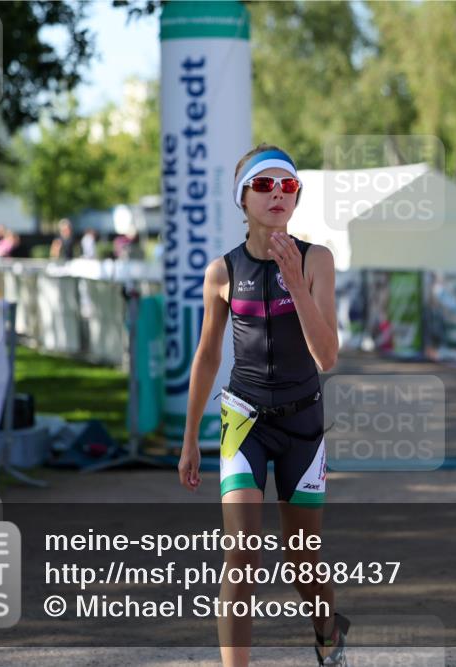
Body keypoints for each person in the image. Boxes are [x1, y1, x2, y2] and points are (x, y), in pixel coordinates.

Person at [177, 144, 349, 667]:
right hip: (242, 422)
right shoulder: (222, 272)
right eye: (264, 185)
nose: (277, 194)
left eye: (288, 186)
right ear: (242, 197)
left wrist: (295, 281)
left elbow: (327, 356)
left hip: (303, 423)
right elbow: (207, 357)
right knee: (241, 556)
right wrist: (189, 440)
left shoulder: (316, 259)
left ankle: (327, 636)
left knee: (303, 562)